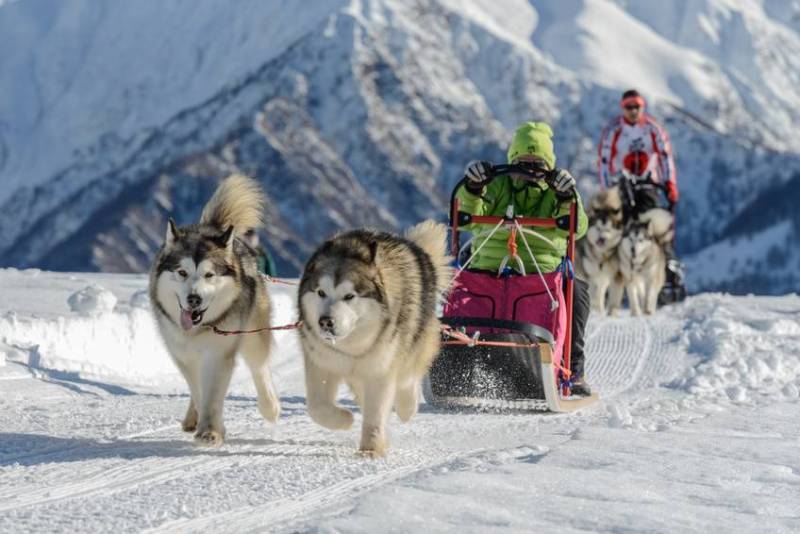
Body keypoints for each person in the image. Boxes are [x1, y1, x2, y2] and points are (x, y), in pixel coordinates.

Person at [457, 121, 592, 396]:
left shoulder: (557, 191)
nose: (529, 169)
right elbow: (465, 219)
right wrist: (473, 188)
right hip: (489, 269)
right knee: (454, 289)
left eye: (536, 162)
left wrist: (567, 196)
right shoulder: (496, 185)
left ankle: (572, 369)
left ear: (548, 164)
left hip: (539, 273)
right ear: (512, 160)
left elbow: (577, 228)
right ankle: (453, 358)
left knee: (576, 291)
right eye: (522, 161)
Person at [597, 89, 683, 285]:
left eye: (637, 106)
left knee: (652, 221)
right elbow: (603, 161)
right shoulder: (613, 131)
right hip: (620, 185)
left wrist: (670, 183)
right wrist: (606, 189)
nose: (633, 111)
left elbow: (665, 157)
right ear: (623, 108)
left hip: (648, 183)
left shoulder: (653, 129)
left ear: (642, 107)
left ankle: (665, 260)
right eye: (629, 107)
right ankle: (611, 266)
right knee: (617, 224)